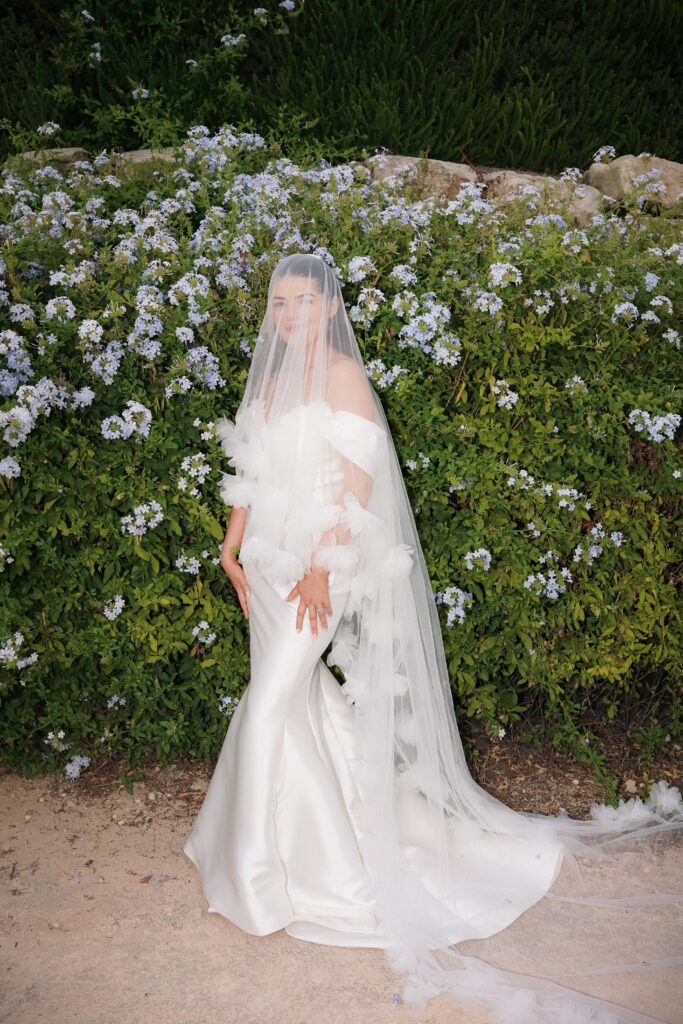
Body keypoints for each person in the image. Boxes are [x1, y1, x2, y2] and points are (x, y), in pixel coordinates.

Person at [183, 254, 681, 1024]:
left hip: (323, 560)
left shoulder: (343, 377)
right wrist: (229, 543)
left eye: (301, 303)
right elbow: (248, 469)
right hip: (265, 562)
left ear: (328, 308)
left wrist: (321, 568)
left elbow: (359, 482)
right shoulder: (273, 380)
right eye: (277, 304)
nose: (287, 317)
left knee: (274, 699)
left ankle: (273, 874)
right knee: (294, 698)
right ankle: (284, 848)